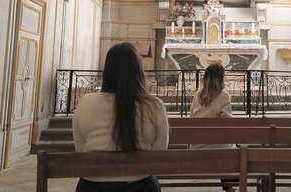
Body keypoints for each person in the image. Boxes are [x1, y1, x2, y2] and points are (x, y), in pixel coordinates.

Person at [73, 43, 169, 192]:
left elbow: (80, 149)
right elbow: (159, 152)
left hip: (92, 185)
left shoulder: (85, 101)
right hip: (140, 185)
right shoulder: (154, 105)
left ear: (108, 70)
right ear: (138, 70)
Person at [189, 63, 236, 191]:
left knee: (225, 145)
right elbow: (228, 122)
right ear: (221, 77)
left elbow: (191, 119)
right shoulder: (223, 95)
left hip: (198, 146)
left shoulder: (198, 94)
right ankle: (229, 187)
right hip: (219, 149)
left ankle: (229, 186)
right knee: (230, 147)